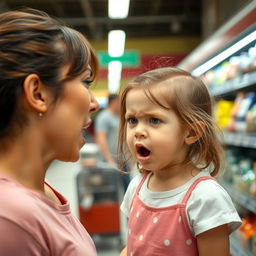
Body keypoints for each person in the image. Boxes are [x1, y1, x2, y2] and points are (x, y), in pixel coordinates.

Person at [0, 8, 100, 255]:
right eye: (85, 82)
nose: (94, 102)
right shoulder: (12, 216)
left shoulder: (40, 192)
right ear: (38, 94)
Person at [118, 67, 242, 256]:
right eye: (132, 120)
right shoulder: (137, 187)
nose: (138, 131)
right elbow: (134, 246)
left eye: (154, 120)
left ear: (191, 132)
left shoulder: (204, 197)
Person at [95, 94, 130, 191]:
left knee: (127, 187)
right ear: (113, 102)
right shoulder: (104, 117)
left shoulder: (119, 116)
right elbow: (101, 139)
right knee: (110, 190)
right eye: (119, 102)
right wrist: (109, 160)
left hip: (122, 160)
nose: (121, 104)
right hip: (110, 161)